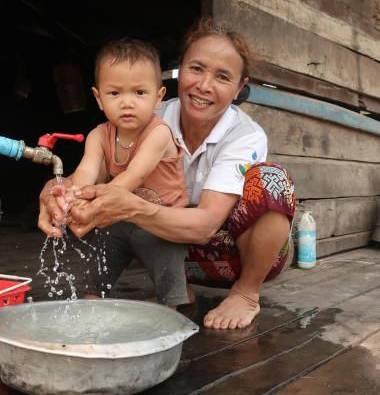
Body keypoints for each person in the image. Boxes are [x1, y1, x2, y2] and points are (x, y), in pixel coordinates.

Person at [39, 18, 296, 330]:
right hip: (165, 248)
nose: (204, 85)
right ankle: (175, 292)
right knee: (120, 222)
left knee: (271, 183)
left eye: (223, 76)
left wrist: (128, 206)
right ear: (180, 69)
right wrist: (57, 191)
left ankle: (245, 293)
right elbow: (90, 173)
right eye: (196, 68)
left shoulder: (245, 135)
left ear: (240, 86)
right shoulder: (142, 113)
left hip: (228, 255)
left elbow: (205, 226)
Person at [57, 37, 190, 307]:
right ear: (98, 98)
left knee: (164, 253)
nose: (127, 103)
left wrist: (93, 204)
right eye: (115, 93)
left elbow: (133, 177)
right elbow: (86, 170)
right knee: (102, 243)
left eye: (139, 93)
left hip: (162, 218)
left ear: (158, 97)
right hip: (121, 216)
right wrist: (73, 195)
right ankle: (93, 295)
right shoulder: (98, 135)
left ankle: (174, 302)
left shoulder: (159, 132)